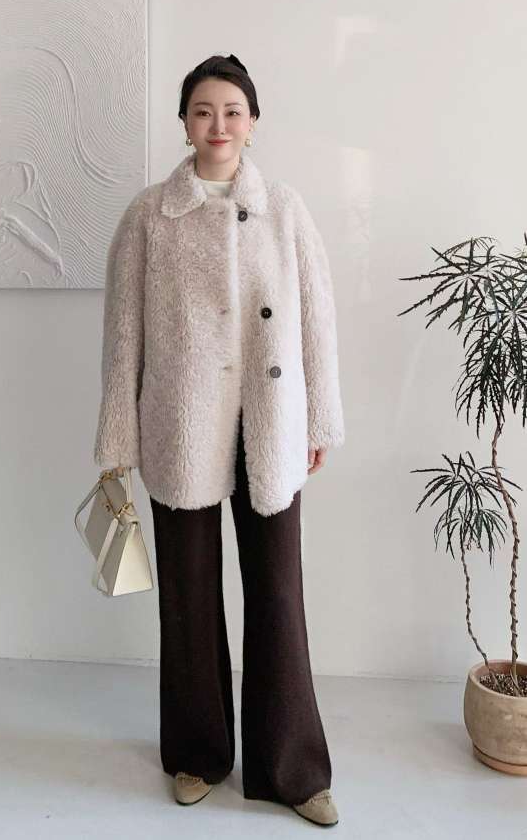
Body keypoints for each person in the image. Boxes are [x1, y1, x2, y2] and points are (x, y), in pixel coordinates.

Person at [93, 53, 345, 827]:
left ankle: (292, 770)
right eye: (203, 110)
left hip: (268, 421)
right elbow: (123, 335)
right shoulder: (148, 216)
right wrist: (119, 436)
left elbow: (318, 318)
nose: (218, 125)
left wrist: (319, 418)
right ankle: (197, 754)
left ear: (253, 122)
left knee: (279, 595)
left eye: (232, 110)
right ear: (184, 122)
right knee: (189, 596)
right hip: (181, 424)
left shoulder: (285, 209)